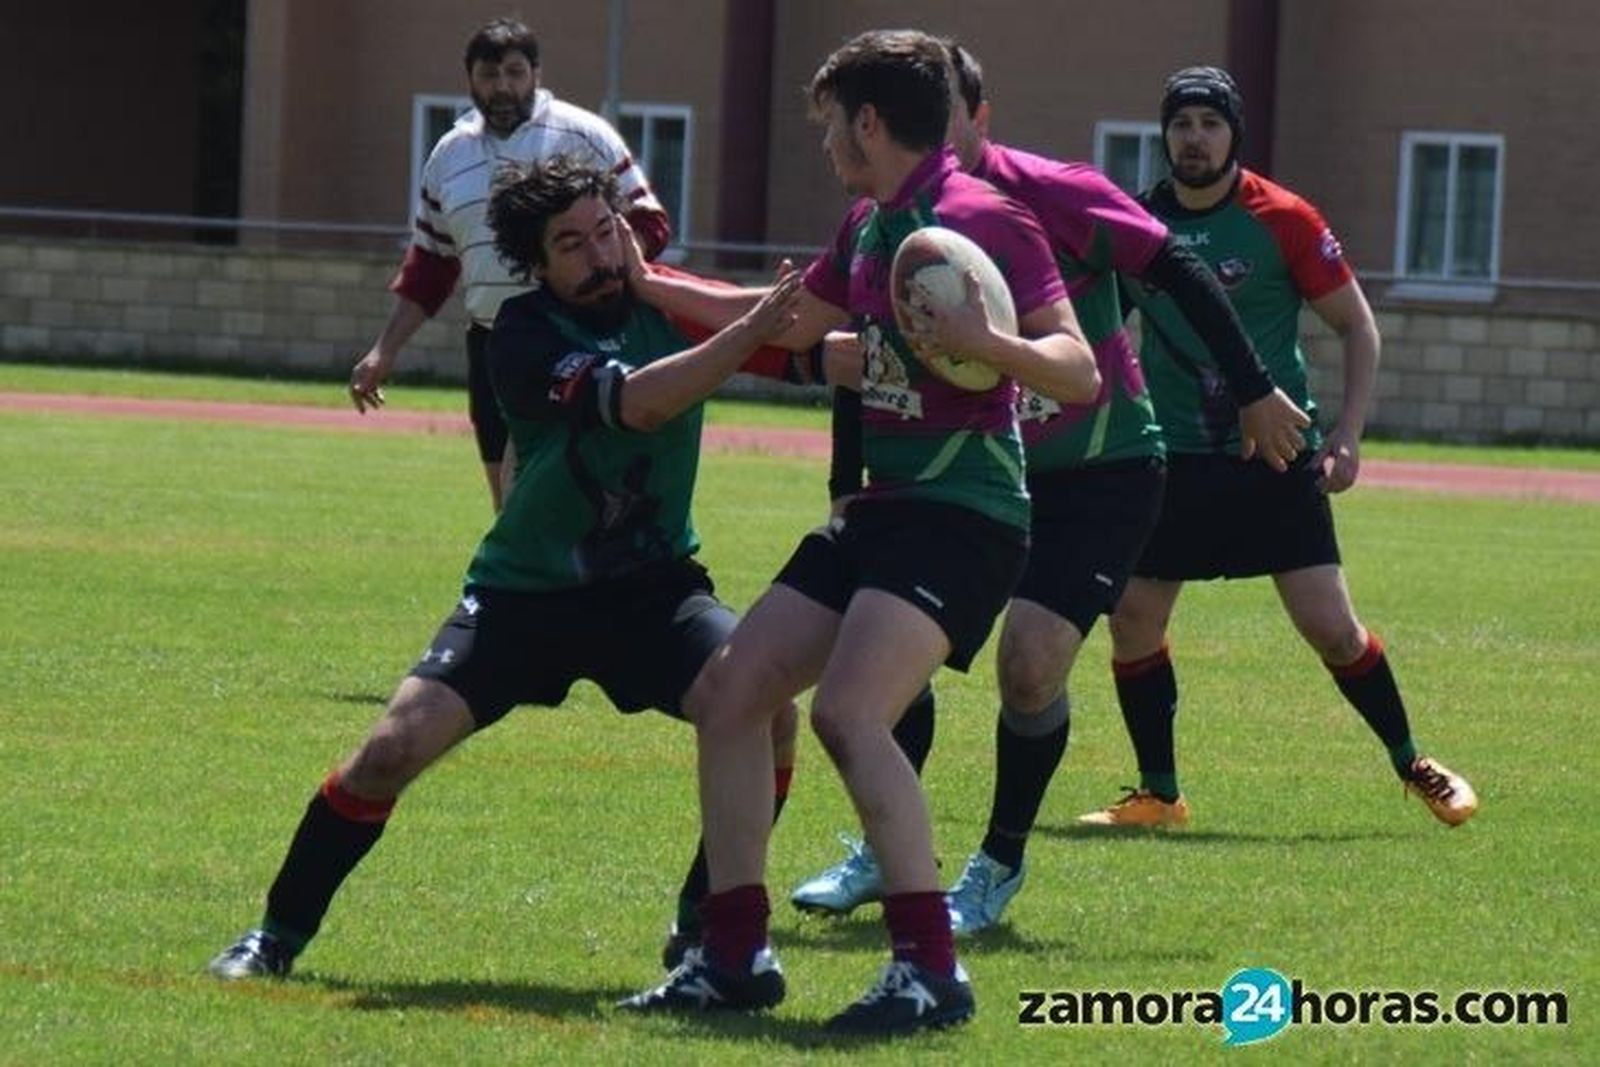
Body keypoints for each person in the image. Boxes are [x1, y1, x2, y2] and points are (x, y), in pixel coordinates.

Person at [207, 157, 802, 982]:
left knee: (768, 711)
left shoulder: (664, 300)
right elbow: (639, 403)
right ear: (538, 263)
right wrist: (746, 331)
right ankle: (274, 935)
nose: (600, 256)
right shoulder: (522, 335)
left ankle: (705, 923)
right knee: (389, 750)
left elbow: (820, 353)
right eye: (573, 244)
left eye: (606, 231)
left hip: (652, 591)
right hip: (525, 596)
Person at [619, 29, 1100, 1035]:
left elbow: (1076, 366)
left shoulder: (982, 217)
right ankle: (734, 952)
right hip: (881, 511)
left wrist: (984, 344)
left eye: (831, 122)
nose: (824, 141)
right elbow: (789, 322)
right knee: (729, 690)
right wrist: (653, 286)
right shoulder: (872, 224)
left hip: (966, 513)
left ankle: (930, 970)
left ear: (869, 120)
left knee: (847, 712)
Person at [788, 43, 1313, 937]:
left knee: (1029, 663)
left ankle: (995, 864)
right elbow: (867, 356)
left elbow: (1176, 266)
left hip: (1096, 475)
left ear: (977, 117)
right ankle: (886, 849)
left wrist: (1257, 387)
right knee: (889, 651)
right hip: (970, 474)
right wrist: (849, 485)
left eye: (945, 107)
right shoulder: (892, 218)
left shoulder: (1052, 193)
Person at [1083, 65, 1477, 828]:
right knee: (1133, 618)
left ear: (1235, 134)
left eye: (1210, 124)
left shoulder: (1284, 217)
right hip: (1174, 457)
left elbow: (1357, 325)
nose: (1193, 139)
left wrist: (1349, 435)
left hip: (1273, 452)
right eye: (1181, 124)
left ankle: (1413, 762)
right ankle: (1160, 794)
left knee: (1331, 625)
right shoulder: (1134, 226)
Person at [347, 17, 671, 511]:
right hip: (494, 341)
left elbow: (648, 224)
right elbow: (431, 267)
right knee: (507, 497)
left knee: (572, 488)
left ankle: (588, 579)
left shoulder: (583, 134)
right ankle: (529, 584)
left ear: (536, 74)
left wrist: (599, 282)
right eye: (489, 75)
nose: (503, 87)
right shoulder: (449, 156)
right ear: (469, 79)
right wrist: (383, 351)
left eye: (515, 73)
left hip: (573, 333)